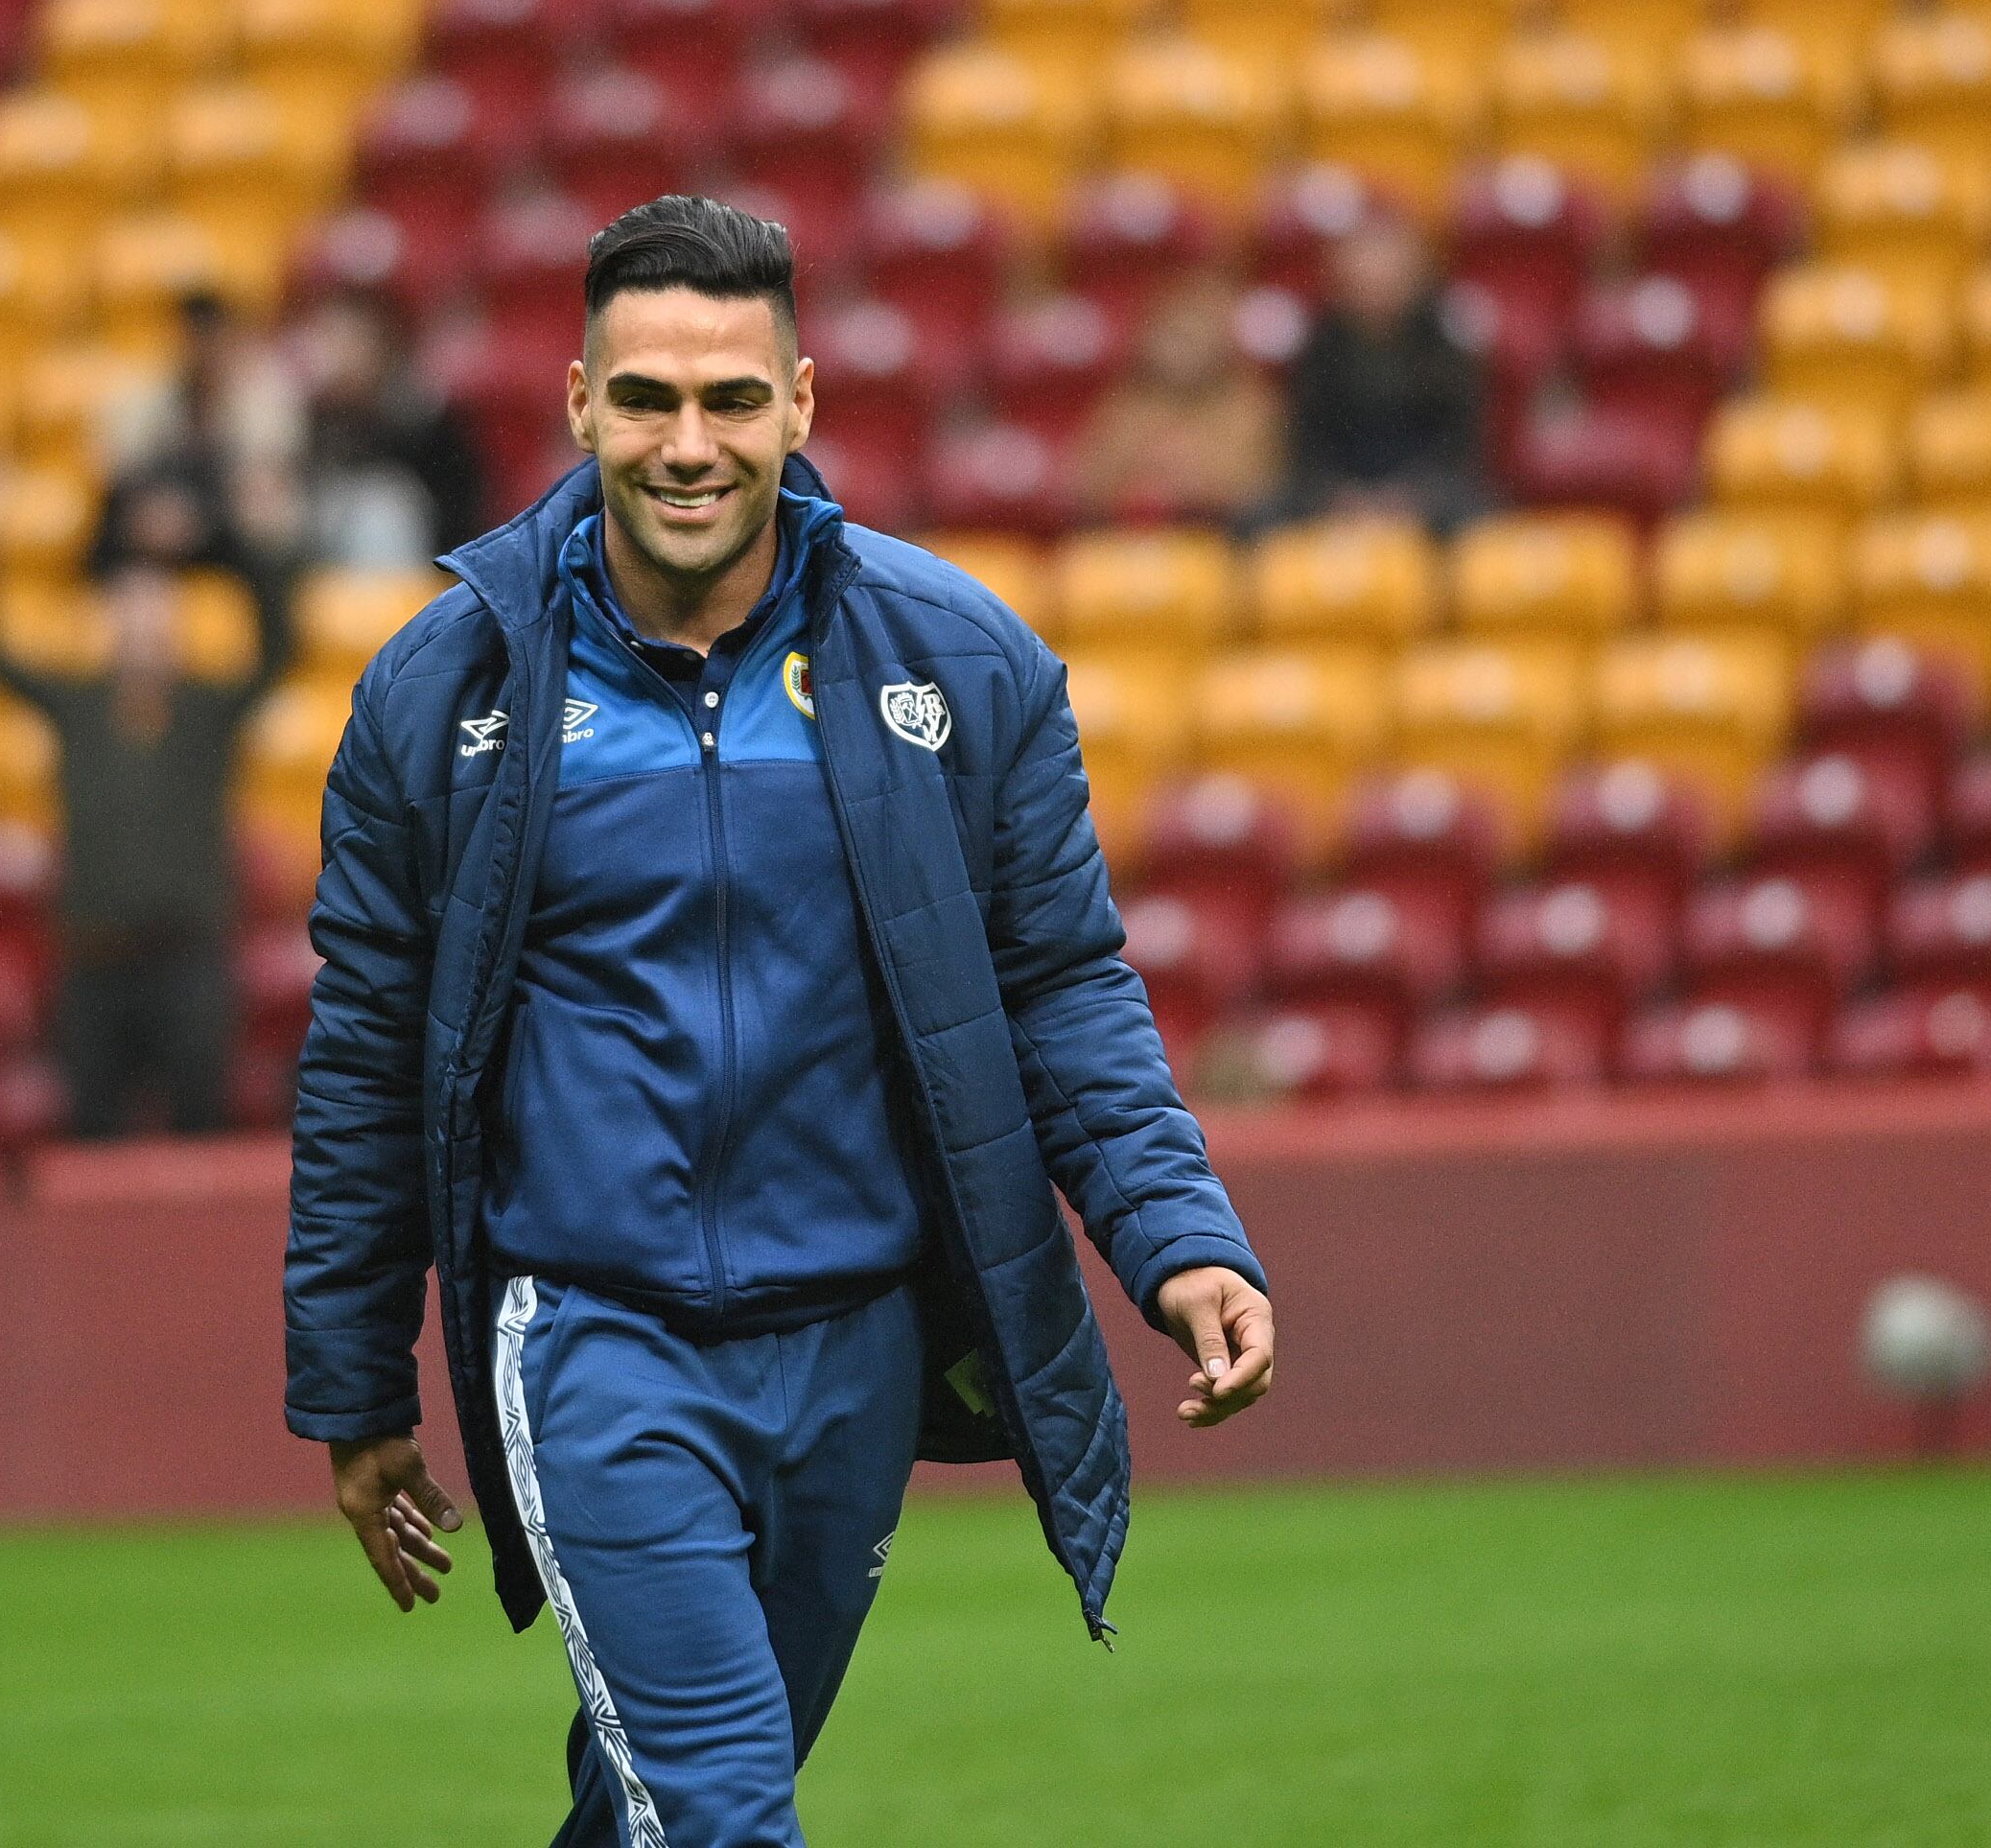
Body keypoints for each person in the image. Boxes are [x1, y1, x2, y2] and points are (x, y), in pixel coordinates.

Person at [283, 197, 1276, 1847]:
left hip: (856, 1352)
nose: (689, 443)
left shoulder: (962, 665)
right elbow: (372, 1057)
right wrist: (352, 1381)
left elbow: (1060, 984)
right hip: (594, 1336)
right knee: (730, 1815)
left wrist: (1177, 1237)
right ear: (581, 402)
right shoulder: (441, 691)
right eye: (650, 398)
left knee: (652, 1813)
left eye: (730, 399)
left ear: (800, 402)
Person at [0, 470, 297, 1138]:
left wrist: (256, 545)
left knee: (201, 1130)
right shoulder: (76, 705)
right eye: (128, 607)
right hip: (94, 964)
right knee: (93, 1136)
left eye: (156, 607)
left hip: (190, 962)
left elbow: (279, 648)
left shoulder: (208, 708)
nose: (142, 621)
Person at [1258, 206, 1491, 535]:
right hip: (1334, 494)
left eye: (1386, 280)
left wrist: (1410, 497)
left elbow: (1458, 446)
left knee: (1484, 523)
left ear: (1416, 279)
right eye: (1363, 282)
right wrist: (1340, 497)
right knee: (1259, 519)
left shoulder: (1448, 349)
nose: (1375, 293)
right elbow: (1305, 444)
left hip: (1427, 495)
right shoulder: (1318, 348)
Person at [90, 287, 303, 579]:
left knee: (269, 538)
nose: (202, 350)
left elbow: (264, 490)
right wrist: (154, 514)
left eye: (212, 337)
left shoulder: (262, 402)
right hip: (151, 530)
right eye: (193, 336)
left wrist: (204, 518)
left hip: (226, 533)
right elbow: (119, 478)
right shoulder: (141, 400)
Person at [1068, 269, 1283, 525]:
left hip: (1218, 544)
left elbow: (1261, 492)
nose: (1181, 352)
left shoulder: (1252, 407)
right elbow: (1083, 487)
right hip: (1130, 543)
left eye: (1194, 337)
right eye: (1174, 336)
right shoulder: (1127, 406)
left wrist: (1196, 479)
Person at [290, 287, 487, 564]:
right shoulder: (315, 413)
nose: (339, 355)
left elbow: (458, 515)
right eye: (331, 338)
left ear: (381, 344)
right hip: (328, 562)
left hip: (419, 565)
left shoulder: (421, 412)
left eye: (351, 339)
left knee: (381, 509)